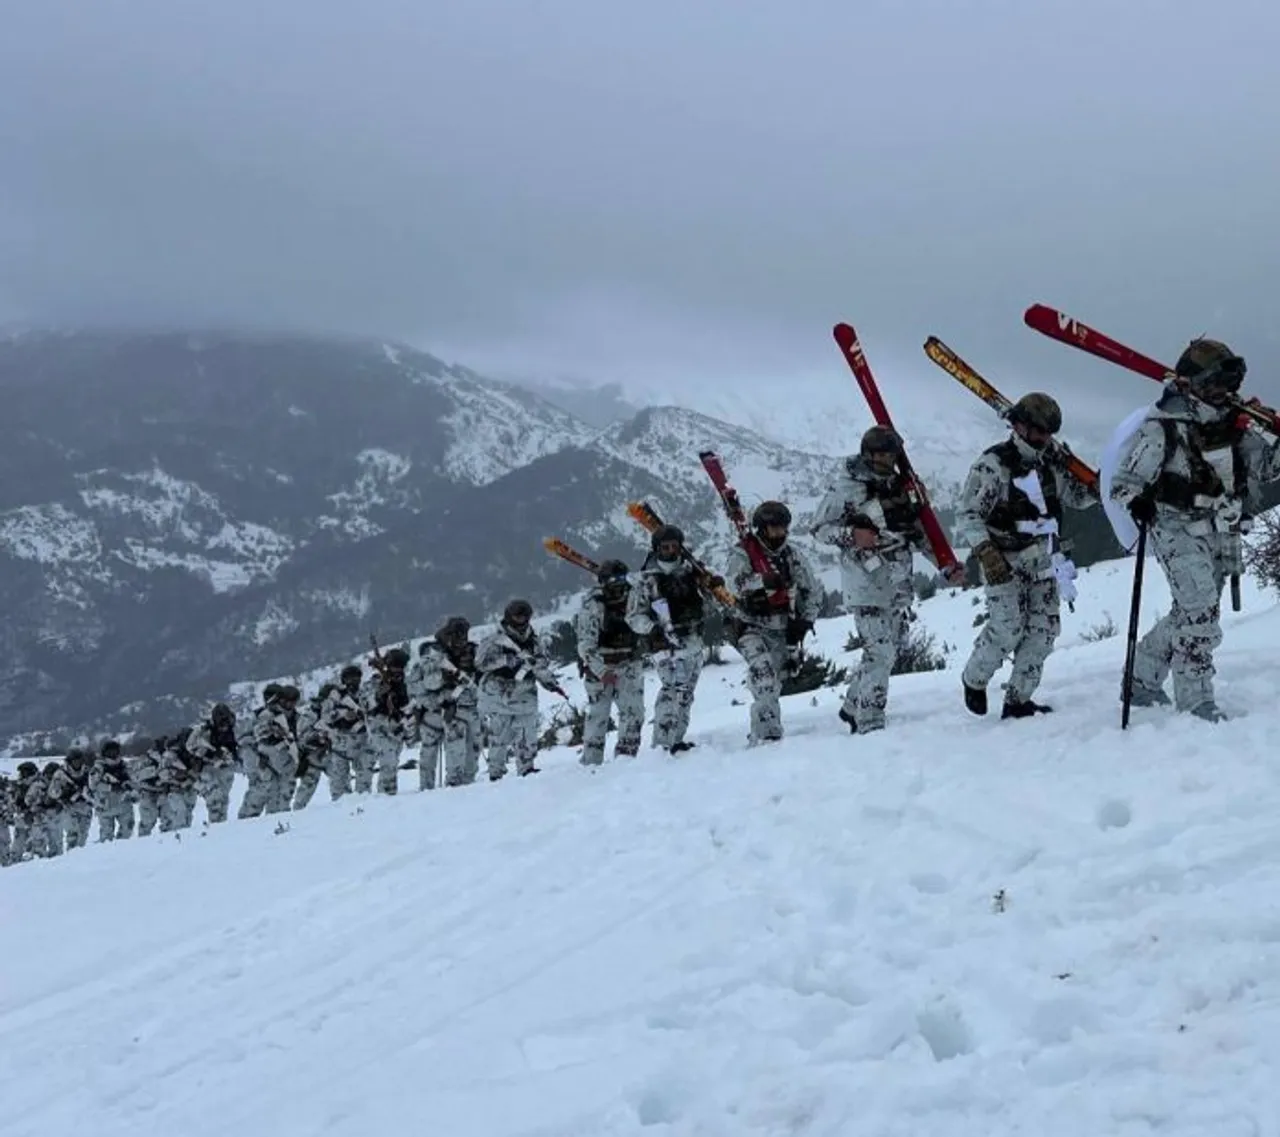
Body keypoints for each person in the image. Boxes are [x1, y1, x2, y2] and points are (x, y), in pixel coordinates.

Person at [1109, 338, 1280, 720]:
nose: (1224, 392)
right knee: (1199, 612)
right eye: (1215, 384)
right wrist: (1138, 502)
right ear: (1194, 383)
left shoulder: (1235, 426)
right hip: (1175, 527)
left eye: (1228, 384)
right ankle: (1196, 702)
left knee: (1192, 612)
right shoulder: (1165, 426)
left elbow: (1266, 468)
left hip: (1222, 527)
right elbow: (1123, 483)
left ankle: (1138, 681)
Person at [812, 426, 965, 734]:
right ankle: (869, 722)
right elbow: (819, 528)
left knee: (885, 651)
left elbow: (920, 533)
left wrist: (944, 565)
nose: (886, 460)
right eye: (880, 454)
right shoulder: (847, 487)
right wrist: (852, 535)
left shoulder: (903, 487)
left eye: (890, 454)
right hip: (864, 581)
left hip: (897, 581)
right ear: (867, 454)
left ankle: (852, 705)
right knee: (881, 652)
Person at [958, 393, 1098, 718]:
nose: (1044, 438)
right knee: (1007, 628)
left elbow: (1075, 497)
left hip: (1044, 557)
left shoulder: (1053, 464)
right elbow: (968, 514)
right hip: (1002, 558)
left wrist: (1095, 487)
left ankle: (1018, 700)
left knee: (1044, 630)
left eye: (1049, 432)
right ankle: (974, 678)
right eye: (1038, 431)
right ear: (1019, 426)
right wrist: (985, 552)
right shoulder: (994, 465)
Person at [723, 501, 822, 744]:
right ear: (761, 528)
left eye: (783, 528)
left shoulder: (793, 555)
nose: (780, 534)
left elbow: (813, 590)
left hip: (782, 628)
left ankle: (763, 730)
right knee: (764, 677)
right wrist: (763, 581)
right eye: (774, 529)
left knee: (775, 682)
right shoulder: (743, 552)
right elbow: (733, 584)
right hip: (750, 626)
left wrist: (805, 620)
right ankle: (768, 736)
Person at [625, 526, 708, 753]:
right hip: (665, 642)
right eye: (665, 547)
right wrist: (652, 629)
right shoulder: (647, 580)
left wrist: (711, 583)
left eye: (674, 546)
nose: (671, 551)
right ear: (656, 549)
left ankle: (677, 739)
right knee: (672, 689)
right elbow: (633, 615)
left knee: (686, 693)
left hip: (692, 638)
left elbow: (707, 600)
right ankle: (662, 743)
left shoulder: (692, 571)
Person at [574, 560, 646, 766]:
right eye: (613, 579)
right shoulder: (593, 605)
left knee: (634, 712)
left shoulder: (634, 597)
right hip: (601, 664)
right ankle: (591, 763)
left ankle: (626, 757)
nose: (618, 583)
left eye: (622, 578)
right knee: (598, 716)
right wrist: (600, 670)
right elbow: (585, 644)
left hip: (629, 662)